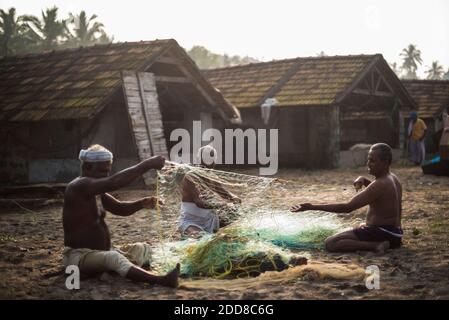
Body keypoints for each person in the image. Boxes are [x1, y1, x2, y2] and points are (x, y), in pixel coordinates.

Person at [62, 144, 179, 288]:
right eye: (102, 171)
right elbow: (114, 182)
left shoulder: (95, 190)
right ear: (88, 167)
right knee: (114, 258)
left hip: (101, 253)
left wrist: (142, 203)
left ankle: (118, 270)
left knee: (143, 248)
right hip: (79, 256)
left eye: (107, 172)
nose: (105, 176)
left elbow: (119, 208)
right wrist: (148, 164)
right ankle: (162, 280)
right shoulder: (79, 186)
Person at [290, 143, 403, 254]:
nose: (368, 163)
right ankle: (380, 242)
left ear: (385, 163)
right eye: (368, 159)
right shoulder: (393, 178)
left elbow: (347, 207)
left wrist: (312, 207)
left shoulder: (380, 184)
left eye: (373, 161)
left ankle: (376, 245)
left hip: (383, 233)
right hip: (396, 234)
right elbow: (379, 194)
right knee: (361, 225)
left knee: (331, 243)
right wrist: (363, 179)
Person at [179, 145, 241, 237]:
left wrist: (235, 198)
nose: (209, 162)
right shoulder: (191, 176)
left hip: (210, 219)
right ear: (198, 159)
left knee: (236, 223)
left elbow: (226, 194)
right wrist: (221, 205)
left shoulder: (211, 177)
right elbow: (199, 202)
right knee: (200, 239)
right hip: (192, 222)